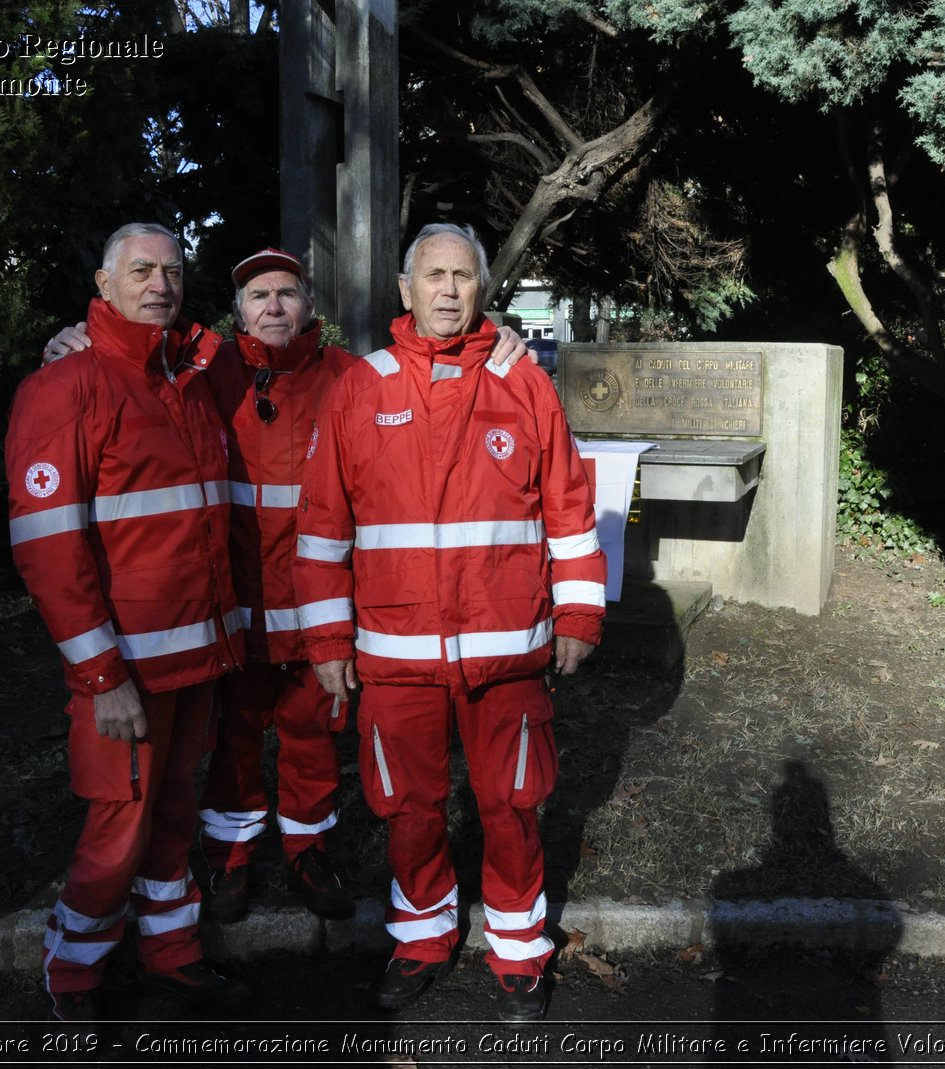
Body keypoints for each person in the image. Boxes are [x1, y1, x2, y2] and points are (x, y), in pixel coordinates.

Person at [42, 250, 530, 926]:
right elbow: (136, 357)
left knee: (311, 736)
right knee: (235, 738)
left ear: (311, 307)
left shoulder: (352, 377)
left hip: (313, 608)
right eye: (259, 294)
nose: (274, 307)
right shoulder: (204, 371)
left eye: (288, 293)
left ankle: (309, 848)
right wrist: (74, 340)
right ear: (237, 310)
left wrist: (498, 336)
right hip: (231, 610)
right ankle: (230, 856)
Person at [294, 222, 605, 1024]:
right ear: (405, 289)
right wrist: (328, 641)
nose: (447, 291)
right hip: (395, 658)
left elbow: (570, 511)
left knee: (512, 805)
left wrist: (577, 612)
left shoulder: (523, 383)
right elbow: (323, 527)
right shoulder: (362, 388)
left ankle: (519, 949)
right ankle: (422, 935)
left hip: (508, 652)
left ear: (481, 288)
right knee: (409, 809)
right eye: (433, 275)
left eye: (462, 276)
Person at [5, 223, 249, 1021]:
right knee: (118, 824)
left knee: (174, 810)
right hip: (126, 671)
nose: (160, 284)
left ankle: (171, 951)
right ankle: (74, 972)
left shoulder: (188, 375)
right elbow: (48, 549)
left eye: (173, 271)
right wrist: (100, 674)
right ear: (104, 286)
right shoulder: (64, 386)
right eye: (141, 271)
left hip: (195, 656)